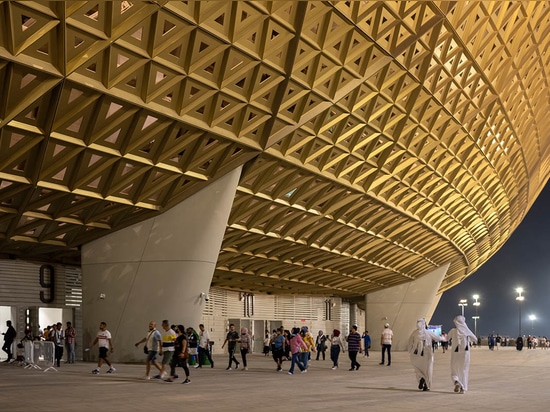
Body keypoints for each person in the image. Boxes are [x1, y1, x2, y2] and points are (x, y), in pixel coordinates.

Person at [408, 318, 443, 391]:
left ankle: (421, 378)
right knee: (428, 370)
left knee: (417, 369)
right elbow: (438, 338)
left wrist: (410, 351)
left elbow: (410, 343)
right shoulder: (428, 332)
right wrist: (444, 338)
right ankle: (427, 385)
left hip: (416, 355)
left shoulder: (414, 333)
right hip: (426, 355)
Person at [448, 315, 477, 394]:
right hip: (465, 354)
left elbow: (446, 338)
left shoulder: (453, 331)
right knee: (464, 370)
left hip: (455, 353)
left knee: (454, 369)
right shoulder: (467, 331)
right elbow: (475, 339)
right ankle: (463, 388)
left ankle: (456, 381)